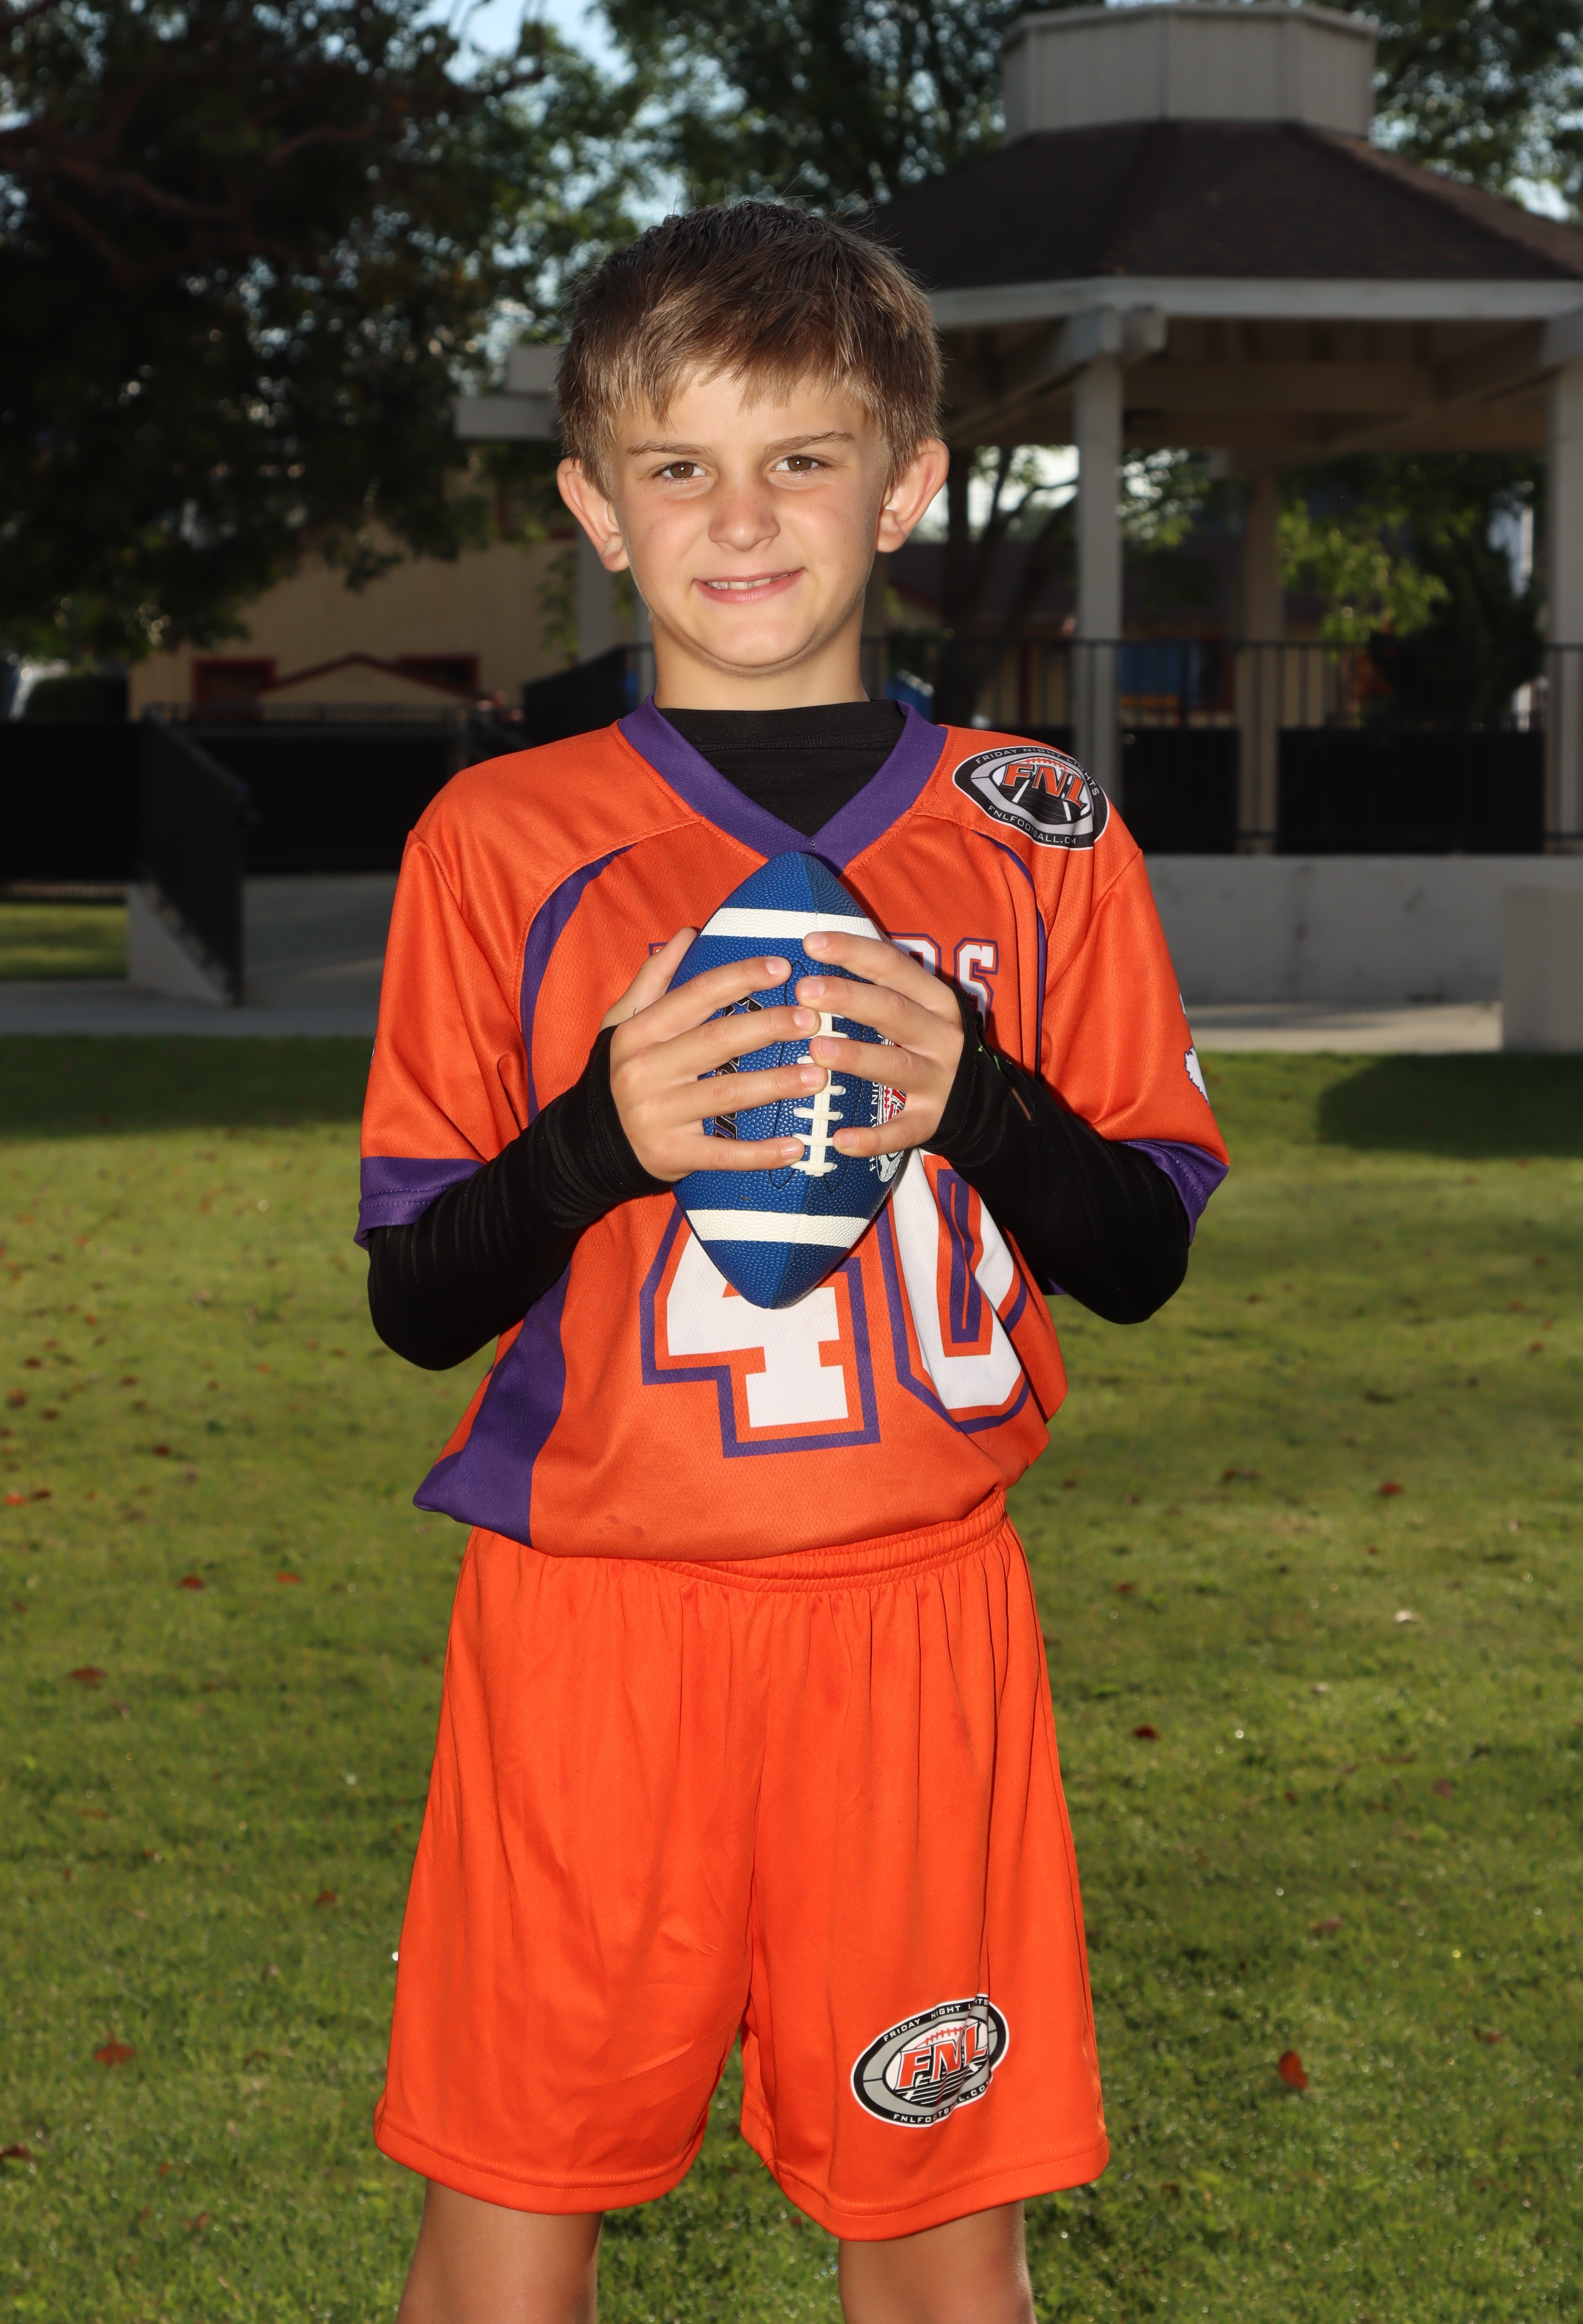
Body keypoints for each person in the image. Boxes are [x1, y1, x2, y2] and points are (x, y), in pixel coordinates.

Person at [358, 201, 1228, 2324]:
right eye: (678, 465)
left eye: (800, 458)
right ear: (597, 506)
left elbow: (1137, 1256)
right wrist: (600, 1141)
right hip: (590, 1629)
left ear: (905, 483)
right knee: (507, 2229)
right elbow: (417, 1301)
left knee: (939, 2252)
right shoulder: (499, 837)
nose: (739, 518)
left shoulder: (1036, 827)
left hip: (917, 1622)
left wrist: (977, 1099)